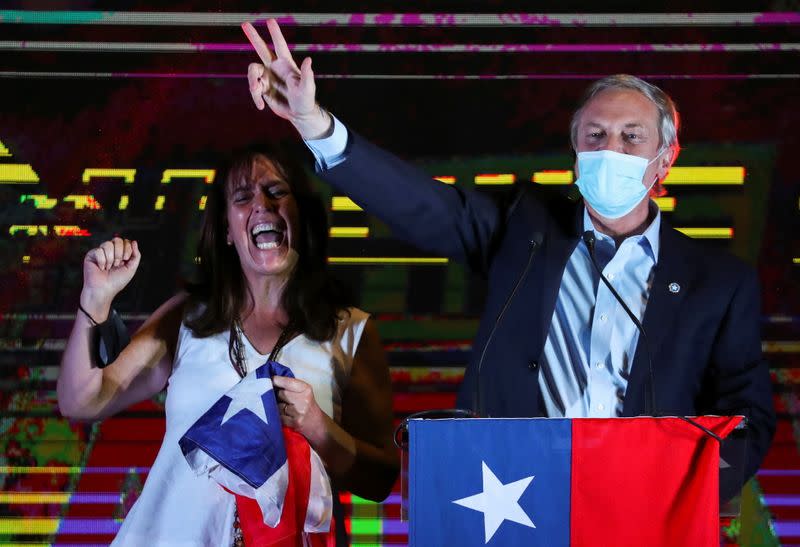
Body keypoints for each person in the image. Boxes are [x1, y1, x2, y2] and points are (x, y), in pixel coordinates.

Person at [241, 19, 775, 483]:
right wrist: (315, 125)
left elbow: (748, 415)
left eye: (631, 137)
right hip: (519, 497)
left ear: (665, 159)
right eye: (595, 135)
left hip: (641, 509)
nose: (609, 150)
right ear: (575, 152)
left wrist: (695, 489)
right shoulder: (526, 229)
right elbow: (421, 205)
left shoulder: (717, 282)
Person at [56, 143, 399, 545]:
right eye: (242, 197)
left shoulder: (350, 331)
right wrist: (94, 301)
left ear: (300, 212)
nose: (261, 205)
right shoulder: (187, 318)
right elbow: (82, 401)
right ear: (227, 230)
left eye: (276, 191)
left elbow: (381, 480)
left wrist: (318, 428)